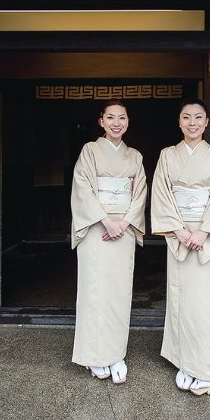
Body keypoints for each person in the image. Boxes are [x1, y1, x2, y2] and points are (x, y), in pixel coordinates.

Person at [151, 99, 210, 396]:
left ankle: (209, 370)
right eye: (186, 117)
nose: (192, 122)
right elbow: (161, 194)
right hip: (180, 237)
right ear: (179, 122)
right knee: (181, 303)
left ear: (207, 122)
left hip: (208, 239)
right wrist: (179, 231)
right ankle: (185, 362)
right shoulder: (167, 155)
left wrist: (204, 231)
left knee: (207, 306)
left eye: (198, 117)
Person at [70, 100, 147, 384]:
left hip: (123, 230)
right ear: (101, 121)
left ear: (128, 121)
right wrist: (106, 220)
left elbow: (140, 192)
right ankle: (95, 355)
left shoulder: (135, 157)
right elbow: (83, 188)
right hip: (96, 229)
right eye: (110, 117)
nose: (116, 123)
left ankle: (115, 354)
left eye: (122, 117)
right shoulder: (90, 151)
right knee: (94, 292)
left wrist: (123, 223)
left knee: (119, 292)